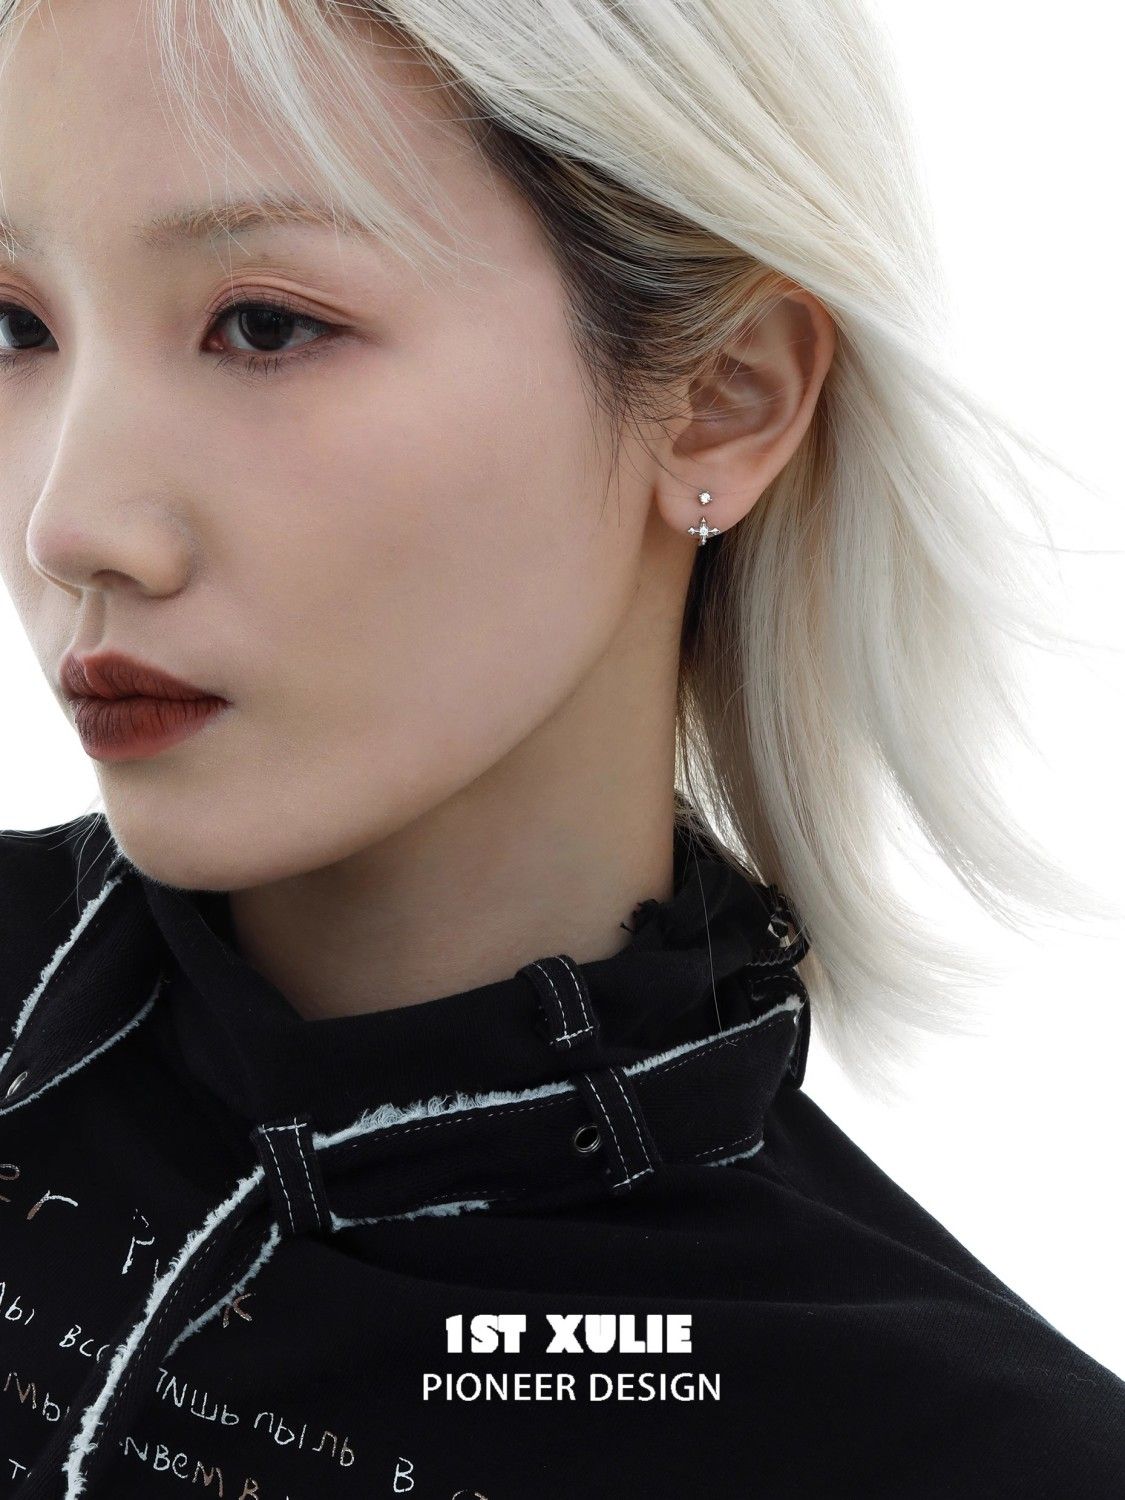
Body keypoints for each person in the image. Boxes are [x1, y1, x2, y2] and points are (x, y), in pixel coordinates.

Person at [0, 1, 1121, 1495]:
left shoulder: (954, 1457)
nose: (69, 525)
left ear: (722, 399)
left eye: (265, 325)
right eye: (15, 326)